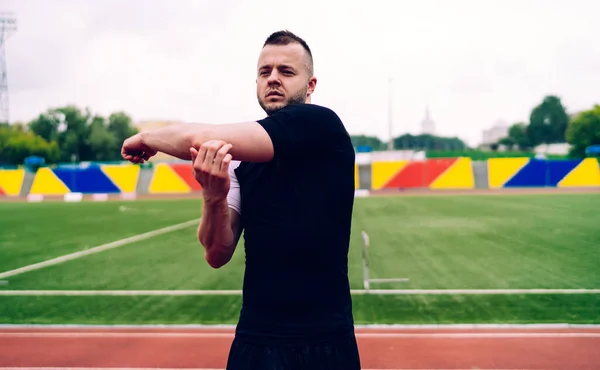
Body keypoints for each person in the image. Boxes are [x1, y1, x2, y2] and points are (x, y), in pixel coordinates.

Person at [121, 30, 360, 369]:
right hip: (257, 337)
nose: (273, 78)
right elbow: (217, 253)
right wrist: (214, 197)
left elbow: (199, 137)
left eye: (286, 71)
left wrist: (148, 138)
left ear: (311, 85)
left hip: (324, 338)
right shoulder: (240, 158)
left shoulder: (322, 124)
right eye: (265, 72)